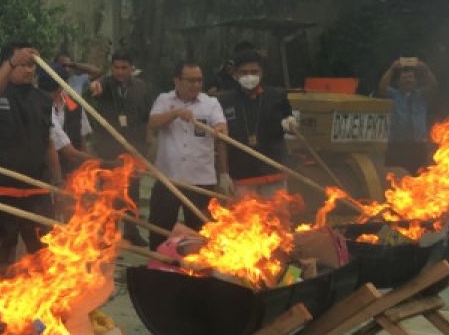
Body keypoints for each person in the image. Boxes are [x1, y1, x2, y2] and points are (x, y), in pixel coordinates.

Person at [0, 42, 62, 276]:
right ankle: (0, 310)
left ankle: (45, 310)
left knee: (45, 259)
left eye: (32, 66)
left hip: (36, 193)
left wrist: (58, 183)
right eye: (23, 65)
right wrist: (12, 63)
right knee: (0, 263)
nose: (29, 70)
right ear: (6, 65)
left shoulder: (43, 100)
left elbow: (48, 142)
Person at [146, 62, 228, 246]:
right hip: (168, 180)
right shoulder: (164, 100)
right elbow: (153, 122)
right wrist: (175, 113)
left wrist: (220, 129)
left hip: (201, 181)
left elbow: (221, 127)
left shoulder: (211, 103)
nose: (196, 85)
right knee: (160, 231)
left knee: (200, 234)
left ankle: (195, 272)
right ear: (177, 81)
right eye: (190, 81)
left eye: (199, 80)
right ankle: (157, 269)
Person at [85, 52, 154, 244]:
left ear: (132, 68)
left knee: (133, 192)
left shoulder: (142, 88)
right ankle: (109, 232)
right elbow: (94, 88)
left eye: (124, 68)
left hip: (134, 148)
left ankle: (131, 230)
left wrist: (147, 143)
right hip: (108, 149)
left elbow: (148, 118)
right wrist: (95, 87)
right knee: (109, 192)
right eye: (116, 68)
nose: (120, 72)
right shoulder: (105, 85)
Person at [217, 50, 295, 198]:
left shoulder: (277, 96)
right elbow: (221, 140)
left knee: (278, 219)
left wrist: (290, 123)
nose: (249, 76)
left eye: (254, 71)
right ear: (236, 74)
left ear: (261, 72)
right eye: (244, 72)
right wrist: (224, 174)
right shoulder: (225, 101)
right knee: (243, 220)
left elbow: (289, 120)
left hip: (274, 174)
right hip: (241, 177)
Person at [378, 56, 438, 173]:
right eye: (404, 77)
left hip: (418, 146)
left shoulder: (421, 95)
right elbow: (382, 87)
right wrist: (391, 69)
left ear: (415, 81)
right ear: (398, 82)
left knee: (420, 179)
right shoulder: (393, 95)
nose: (408, 80)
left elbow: (433, 86)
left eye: (410, 77)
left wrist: (425, 69)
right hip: (397, 146)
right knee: (395, 179)